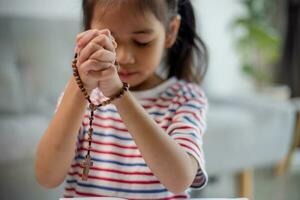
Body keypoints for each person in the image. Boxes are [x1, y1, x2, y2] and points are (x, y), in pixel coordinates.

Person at [35, 0, 209, 199]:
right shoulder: (77, 97)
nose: (124, 57)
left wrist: (119, 93)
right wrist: (79, 84)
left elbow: (179, 181)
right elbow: (46, 177)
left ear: (170, 31)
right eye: (110, 41)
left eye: (142, 41)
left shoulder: (185, 98)